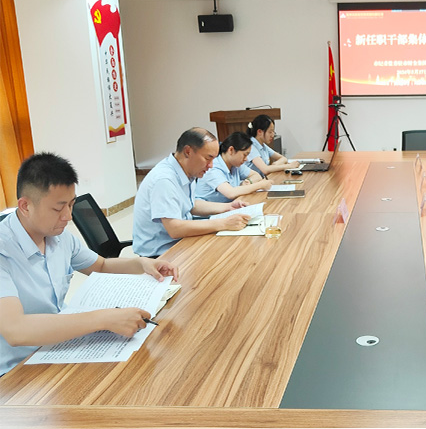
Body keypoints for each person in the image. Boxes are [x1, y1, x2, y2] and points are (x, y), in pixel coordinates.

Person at [0, 153, 179, 376]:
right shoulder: (4, 250)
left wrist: (141, 263)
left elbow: (101, 266)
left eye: (71, 204)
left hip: (57, 347)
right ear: (25, 206)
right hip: (16, 370)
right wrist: (102, 319)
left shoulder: (58, 237)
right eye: (58, 208)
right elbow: (16, 331)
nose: (68, 216)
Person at [133, 128, 251, 258]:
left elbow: (191, 205)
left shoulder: (187, 172)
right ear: (188, 151)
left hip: (181, 243)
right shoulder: (164, 180)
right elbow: (175, 228)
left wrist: (228, 207)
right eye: (208, 158)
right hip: (162, 255)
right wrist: (223, 223)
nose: (211, 165)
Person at [196, 132, 273, 203]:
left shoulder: (235, 165)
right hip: (212, 212)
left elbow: (256, 175)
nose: (246, 159)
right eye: (244, 155)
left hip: (230, 205)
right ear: (231, 150)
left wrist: (248, 182)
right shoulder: (213, 167)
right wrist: (260, 185)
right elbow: (230, 193)